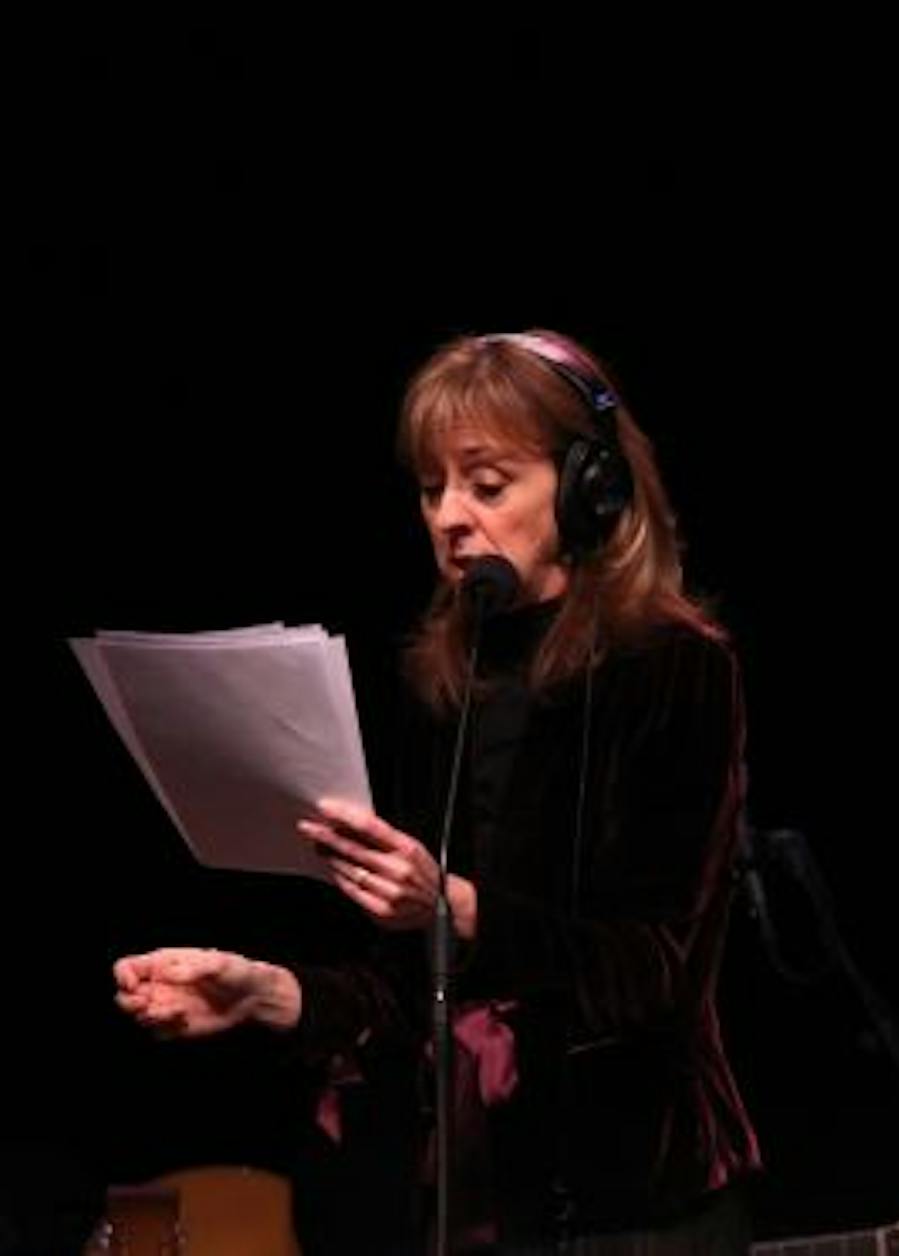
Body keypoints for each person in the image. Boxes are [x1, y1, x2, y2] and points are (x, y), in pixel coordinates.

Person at [114, 330, 758, 1254]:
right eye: (431, 488)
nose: (451, 516)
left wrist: (456, 907)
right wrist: (266, 994)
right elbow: (411, 989)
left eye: (487, 485)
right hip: (480, 1193)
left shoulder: (675, 669)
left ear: (591, 488)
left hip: (638, 1201)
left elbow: (656, 970)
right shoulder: (442, 680)